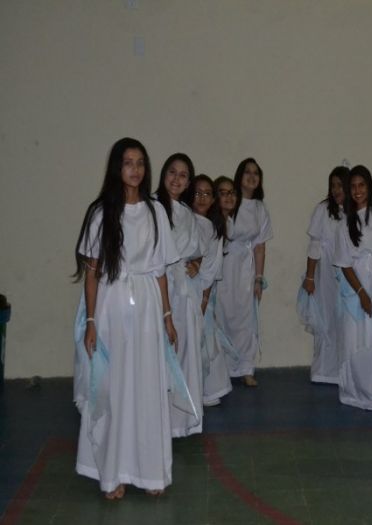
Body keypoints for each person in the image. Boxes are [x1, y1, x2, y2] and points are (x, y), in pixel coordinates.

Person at [73, 137, 179, 499]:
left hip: (147, 307)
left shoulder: (156, 212)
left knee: (146, 386)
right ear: (117, 168)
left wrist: (167, 316)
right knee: (115, 388)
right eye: (128, 163)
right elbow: (92, 273)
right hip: (112, 307)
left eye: (140, 163)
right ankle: (112, 472)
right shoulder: (101, 213)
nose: (135, 169)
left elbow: (161, 271)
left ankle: (150, 471)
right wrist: (90, 322)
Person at [333, 165, 372, 410]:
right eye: (353, 187)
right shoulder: (344, 224)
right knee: (359, 339)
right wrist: (361, 293)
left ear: (369, 187)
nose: (357, 190)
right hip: (358, 288)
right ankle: (361, 392)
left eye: (362, 185)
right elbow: (345, 264)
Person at [156, 153, 204, 437]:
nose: (176, 179)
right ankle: (158, 421)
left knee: (184, 352)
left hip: (184, 291)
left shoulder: (187, 212)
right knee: (161, 354)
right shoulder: (153, 206)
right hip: (161, 290)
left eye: (183, 175)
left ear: (188, 182)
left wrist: (195, 263)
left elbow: (196, 250)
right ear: (164, 175)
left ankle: (180, 422)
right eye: (172, 172)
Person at [215, 159, 272, 387]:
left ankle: (245, 368)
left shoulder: (260, 208)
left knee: (246, 318)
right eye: (247, 172)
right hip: (224, 265)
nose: (251, 176)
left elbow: (260, 246)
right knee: (222, 313)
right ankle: (223, 368)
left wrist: (259, 278)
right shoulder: (230, 202)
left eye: (256, 173)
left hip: (246, 268)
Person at [299, 166, 349, 384]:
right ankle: (325, 370)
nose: (336, 190)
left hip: (348, 274)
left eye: (341, 185)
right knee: (327, 319)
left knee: (346, 320)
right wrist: (310, 277)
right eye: (333, 186)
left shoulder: (355, 212)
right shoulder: (323, 210)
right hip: (326, 272)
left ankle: (345, 370)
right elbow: (314, 246)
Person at [187, 174, 232, 406]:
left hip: (203, 290)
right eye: (197, 193)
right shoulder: (183, 222)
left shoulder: (214, 229)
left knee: (205, 334)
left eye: (207, 193)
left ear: (213, 199)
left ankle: (209, 389)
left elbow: (212, 267)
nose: (202, 198)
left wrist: (204, 299)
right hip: (183, 287)